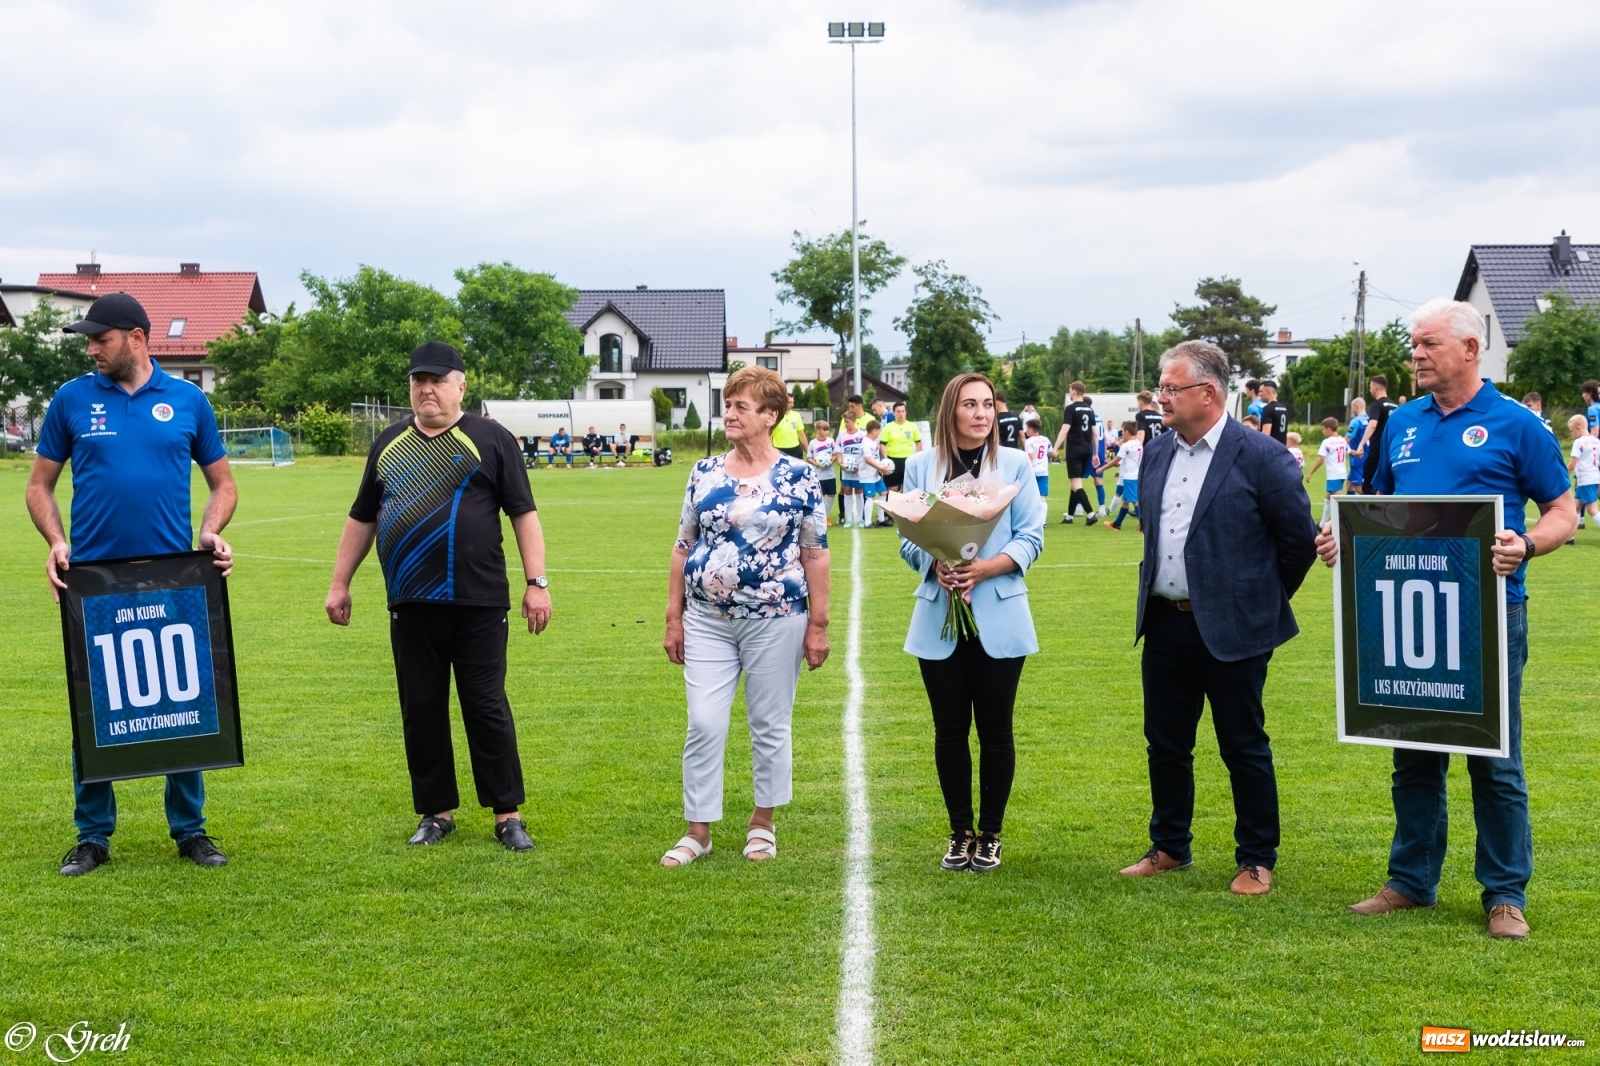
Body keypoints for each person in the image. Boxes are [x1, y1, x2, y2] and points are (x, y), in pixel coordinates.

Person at [1316, 301, 1575, 939]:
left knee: (1494, 758)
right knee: (1414, 748)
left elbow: (1563, 509)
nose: (1416, 356)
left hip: (1488, 613)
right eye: (1413, 347)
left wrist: (1527, 544)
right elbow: (1372, 501)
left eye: (1427, 344)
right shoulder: (1400, 422)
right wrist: (1341, 539)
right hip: (1404, 610)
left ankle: (1505, 895)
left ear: (1469, 348)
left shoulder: (1519, 425)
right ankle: (1411, 882)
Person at [26, 292, 237, 876]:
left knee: (183, 700)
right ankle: (92, 835)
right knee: (94, 708)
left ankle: (189, 830)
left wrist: (210, 532)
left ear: (138, 337)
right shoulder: (70, 400)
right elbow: (39, 486)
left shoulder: (189, 400)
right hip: (92, 582)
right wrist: (57, 543)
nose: (91, 348)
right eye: (88, 341)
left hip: (175, 578)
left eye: (100, 338)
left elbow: (223, 485)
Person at [326, 342, 550, 853]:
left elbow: (523, 514)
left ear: (460, 386)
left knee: (486, 706)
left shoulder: (491, 440)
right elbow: (362, 517)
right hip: (410, 601)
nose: (426, 389)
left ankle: (507, 815)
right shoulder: (388, 444)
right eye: (417, 380)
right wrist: (340, 583)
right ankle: (436, 814)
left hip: (479, 601)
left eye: (437, 380)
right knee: (421, 708)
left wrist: (536, 583)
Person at [1122, 340, 1318, 896]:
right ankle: (1169, 846)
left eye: (1169, 387)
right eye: (1161, 387)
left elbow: (1296, 543)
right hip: (1164, 621)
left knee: (1243, 743)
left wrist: (1258, 599)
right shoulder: (1157, 452)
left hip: (1235, 628)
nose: (1160, 397)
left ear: (1207, 393)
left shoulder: (1261, 455)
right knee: (1165, 741)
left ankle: (1257, 858)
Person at [660, 366, 830, 866]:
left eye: (741, 406)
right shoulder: (704, 472)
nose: (729, 413)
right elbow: (681, 545)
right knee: (704, 723)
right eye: (728, 404)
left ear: (770, 416)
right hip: (707, 618)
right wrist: (674, 615)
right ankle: (698, 831)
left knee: (769, 722)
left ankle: (762, 822)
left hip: (777, 617)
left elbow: (815, 552)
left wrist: (818, 625)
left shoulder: (799, 476)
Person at [899, 373, 1043, 873]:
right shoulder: (921, 465)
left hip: (1000, 611)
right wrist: (934, 563)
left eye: (988, 405)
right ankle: (960, 832)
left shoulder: (1016, 464)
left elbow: (1031, 537)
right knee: (950, 731)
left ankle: (992, 833)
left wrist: (986, 567)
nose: (982, 414)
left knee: (997, 731)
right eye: (970, 405)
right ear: (950, 411)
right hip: (940, 611)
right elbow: (907, 537)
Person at [1052, 381, 1099, 525]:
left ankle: (1091, 513)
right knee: (1074, 483)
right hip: (1086, 450)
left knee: (1076, 483)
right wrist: (1095, 454)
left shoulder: (1070, 409)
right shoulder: (1090, 410)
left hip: (1074, 450)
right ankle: (1069, 516)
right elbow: (1095, 434)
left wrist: (1055, 448)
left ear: (1073, 392)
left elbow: (1065, 430)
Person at [879, 401, 923, 523]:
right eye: (898, 411)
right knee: (893, 488)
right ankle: (890, 514)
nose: (900, 414)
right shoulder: (888, 427)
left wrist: (917, 457)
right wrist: (886, 458)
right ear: (894, 413)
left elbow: (918, 443)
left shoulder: (912, 427)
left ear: (906, 412)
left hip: (908, 461)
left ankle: (907, 513)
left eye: (902, 411)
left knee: (909, 488)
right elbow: (882, 444)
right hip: (893, 461)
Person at [1356, 374, 1399, 493]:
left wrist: (1361, 444)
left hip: (1378, 451)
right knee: (1388, 486)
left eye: (1370, 386)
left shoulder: (1377, 405)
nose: (1370, 389)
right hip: (1392, 451)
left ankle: (1376, 511)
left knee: (1367, 487)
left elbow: (1372, 425)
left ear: (1375, 387)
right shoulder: (1395, 406)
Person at [1304, 417, 1348, 520]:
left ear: (1328, 429)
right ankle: (1322, 524)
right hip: (1342, 473)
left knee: (1337, 500)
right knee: (1328, 497)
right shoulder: (1342, 440)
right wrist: (1358, 453)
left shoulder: (1327, 442)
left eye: (1323, 429)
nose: (1322, 431)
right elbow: (1349, 451)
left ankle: (1342, 522)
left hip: (1333, 474)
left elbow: (1321, 460)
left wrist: (1310, 473)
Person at [1102, 421, 1143, 531]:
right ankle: (1117, 524)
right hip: (1136, 475)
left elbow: (1115, 461)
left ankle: (1144, 525)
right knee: (1125, 501)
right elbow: (1133, 461)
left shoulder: (1126, 445)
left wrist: (1102, 468)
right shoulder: (1138, 443)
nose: (1122, 434)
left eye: (1123, 431)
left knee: (1135, 501)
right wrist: (1120, 472)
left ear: (1127, 431)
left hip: (1130, 477)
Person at [1567, 414, 1600, 539]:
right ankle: (1569, 537)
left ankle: (1569, 537)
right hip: (1593, 478)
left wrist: (1563, 476)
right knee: (1573, 509)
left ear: (1578, 428)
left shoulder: (1579, 442)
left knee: (1592, 509)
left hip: (1586, 479)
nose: (1572, 434)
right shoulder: (1596, 441)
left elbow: (1572, 464)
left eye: (1572, 431)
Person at [856, 419, 893, 526]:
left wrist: (881, 467)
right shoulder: (866, 443)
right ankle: (867, 523)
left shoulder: (872, 442)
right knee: (870, 496)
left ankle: (881, 519)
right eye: (878, 431)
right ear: (874, 431)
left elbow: (875, 458)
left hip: (874, 474)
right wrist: (881, 468)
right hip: (867, 475)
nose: (879, 433)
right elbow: (867, 459)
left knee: (883, 492)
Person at [807, 419, 840, 526]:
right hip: (818, 474)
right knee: (819, 496)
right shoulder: (813, 443)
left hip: (829, 474)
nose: (826, 432)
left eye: (827, 430)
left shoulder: (830, 441)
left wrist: (831, 460)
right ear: (817, 430)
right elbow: (809, 458)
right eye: (824, 430)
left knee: (831, 495)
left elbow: (835, 454)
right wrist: (816, 463)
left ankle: (825, 516)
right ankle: (819, 516)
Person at [837, 412, 867, 528]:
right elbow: (838, 451)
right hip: (846, 470)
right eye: (844, 422)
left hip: (858, 469)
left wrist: (859, 465)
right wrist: (840, 463)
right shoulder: (841, 434)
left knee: (859, 492)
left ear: (854, 421)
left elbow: (865, 452)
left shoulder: (861, 435)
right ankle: (848, 519)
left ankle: (860, 519)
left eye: (847, 422)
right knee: (847, 491)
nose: (845, 424)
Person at [1023, 418, 1052, 524]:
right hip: (1043, 471)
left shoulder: (1029, 441)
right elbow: (1051, 453)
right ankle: (1042, 522)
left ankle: (1030, 519)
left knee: (1029, 496)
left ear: (1031, 429)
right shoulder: (1046, 439)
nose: (1025, 431)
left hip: (1032, 471)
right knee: (1041, 497)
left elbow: (1030, 457)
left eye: (1026, 428)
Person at [771, 395, 808, 459]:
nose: (792, 405)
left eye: (793, 402)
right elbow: (769, 435)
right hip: (779, 450)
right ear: (783, 402)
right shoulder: (775, 416)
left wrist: (808, 451)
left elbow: (801, 435)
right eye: (789, 402)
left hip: (795, 450)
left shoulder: (796, 415)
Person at [1344, 398, 1369, 494]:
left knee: (1359, 488)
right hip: (1369, 456)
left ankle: (1373, 507)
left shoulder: (1356, 421)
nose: (1352, 410)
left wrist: (1335, 443)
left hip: (1358, 458)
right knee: (1350, 484)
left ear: (1356, 407)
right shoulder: (1370, 420)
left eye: (1352, 408)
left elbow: (1347, 439)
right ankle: (1351, 508)